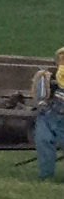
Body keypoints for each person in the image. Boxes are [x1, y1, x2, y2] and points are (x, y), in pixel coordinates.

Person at [35, 45, 62, 184]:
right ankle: (46, 176)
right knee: (43, 139)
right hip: (52, 113)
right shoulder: (50, 76)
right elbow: (44, 96)